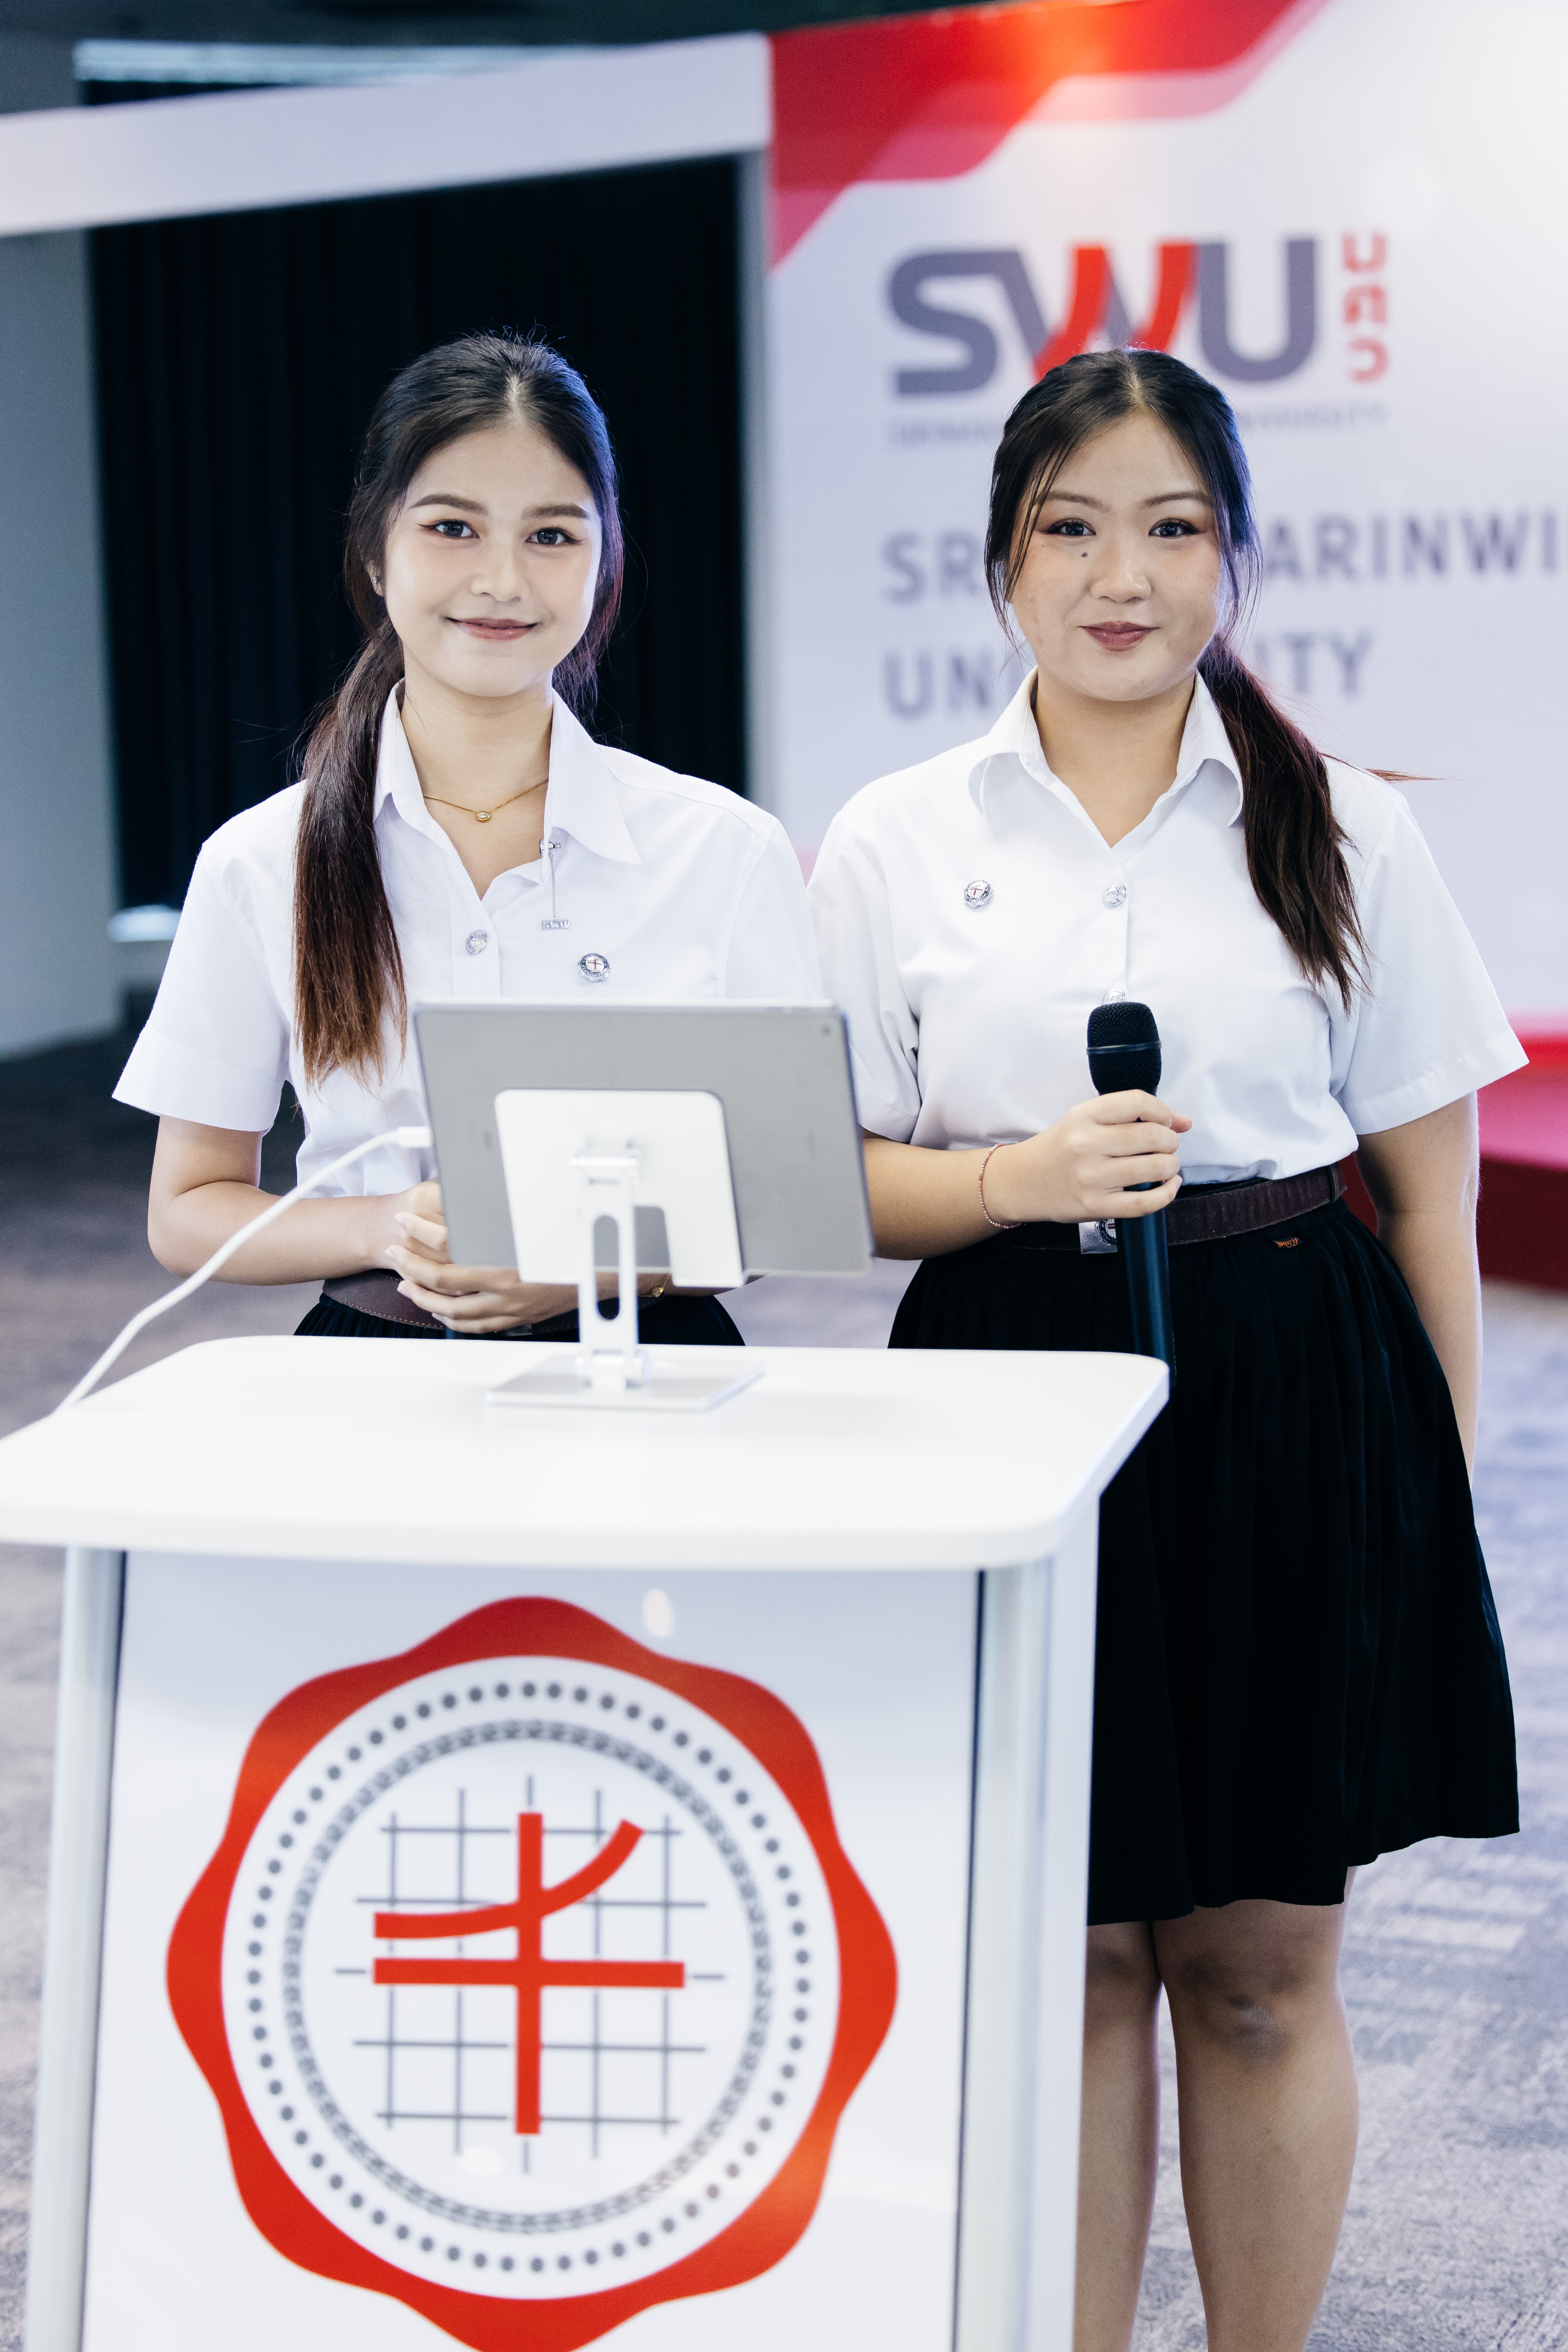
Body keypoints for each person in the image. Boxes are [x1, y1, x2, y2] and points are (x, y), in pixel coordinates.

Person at [807, 347, 1520, 2352]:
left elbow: (1432, 1203)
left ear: (1233, 554)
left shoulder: (1341, 830)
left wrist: (1427, 1503)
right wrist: (1013, 1177)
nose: (1120, 575)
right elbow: (824, 1184)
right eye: (1071, 527)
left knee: (1262, 1963)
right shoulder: (892, 837)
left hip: (1292, 1383)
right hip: (1002, 1387)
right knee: (1072, 1956)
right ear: (1000, 560)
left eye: (1171, 527)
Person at [116, 333, 818, 1341]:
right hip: (373, 1363)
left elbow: (790, 1191)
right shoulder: (261, 861)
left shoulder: (724, 849)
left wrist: (595, 1265)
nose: (501, 580)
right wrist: (389, 1224)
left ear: (605, 562)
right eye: (453, 527)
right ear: (375, 551)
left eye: (552, 536)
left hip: (647, 1355)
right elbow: (187, 1210)